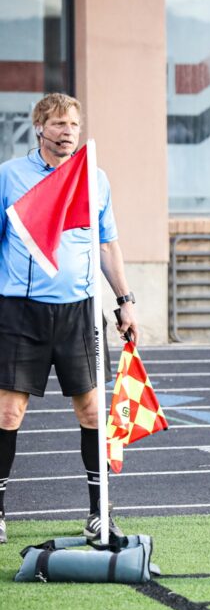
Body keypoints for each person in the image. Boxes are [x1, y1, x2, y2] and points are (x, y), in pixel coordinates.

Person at [0, 93, 140, 544]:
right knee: (7, 412)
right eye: (59, 124)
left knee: (94, 412)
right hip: (20, 312)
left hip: (79, 312)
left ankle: (100, 512)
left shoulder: (93, 178)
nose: (67, 133)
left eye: (74, 126)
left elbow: (106, 245)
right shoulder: (9, 177)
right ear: (39, 127)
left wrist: (125, 300)